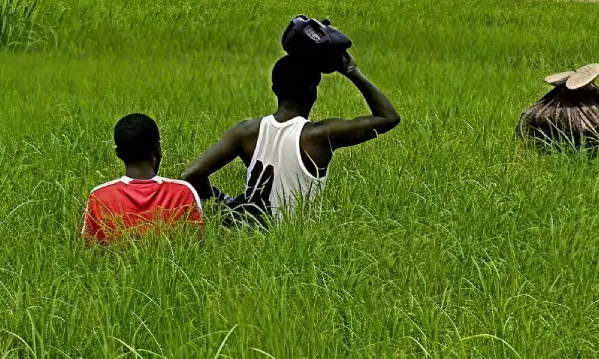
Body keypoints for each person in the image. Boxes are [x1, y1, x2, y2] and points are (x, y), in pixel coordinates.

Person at [181, 51, 399, 223]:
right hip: (299, 244)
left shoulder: (245, 132)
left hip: (249, 238)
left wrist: (227, 207)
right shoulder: (319, 136)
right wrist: (352, 71)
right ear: (313, 91)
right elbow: (388, 117)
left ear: (275, 88)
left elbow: (192, 174)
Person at [82, 113, 203, 242]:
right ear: (157, 148)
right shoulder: (183, 192)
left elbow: (91, 249)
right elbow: (197, 243)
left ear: (118, 153)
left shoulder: (100, 197)